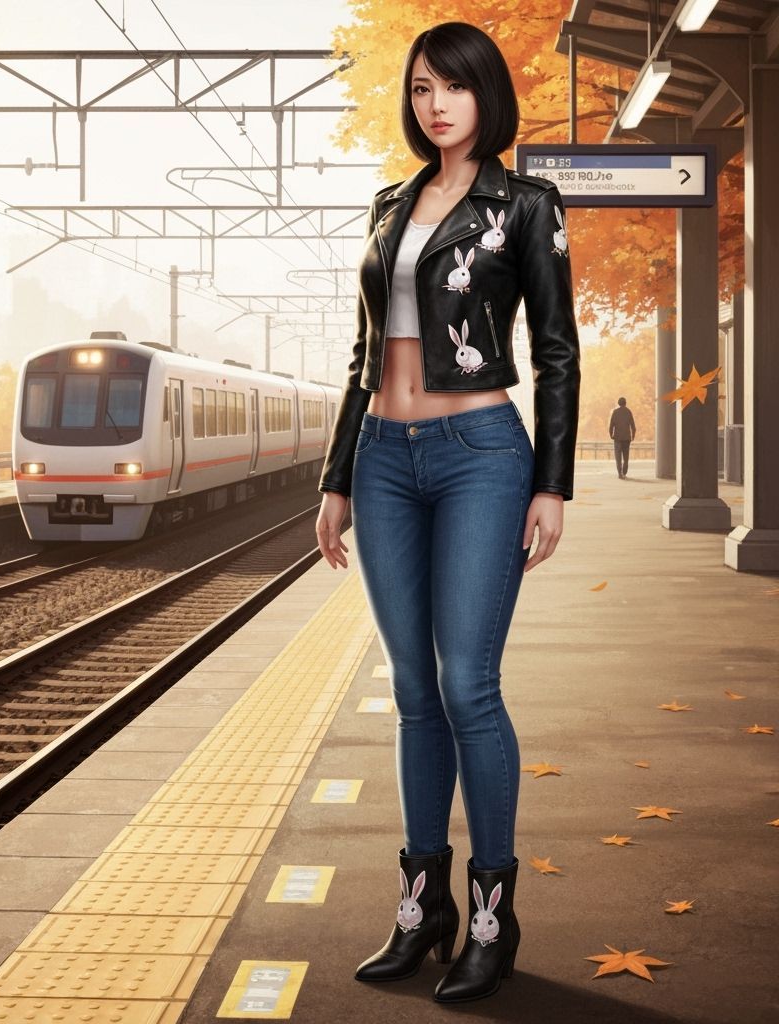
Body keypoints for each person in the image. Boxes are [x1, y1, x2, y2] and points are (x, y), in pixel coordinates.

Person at [314, 22, 581, 1004]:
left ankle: (491, 920)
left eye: (455, 88)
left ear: (486, 96)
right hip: (384, 459)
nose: (436, 105)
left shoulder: (525, 204)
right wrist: (337, 477)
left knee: (467, 683)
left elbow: (556, 348)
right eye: (422, 87)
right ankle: (419, 907)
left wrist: (551, 481)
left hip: (480, 457)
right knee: (412, 690)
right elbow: (361, 354)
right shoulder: (389, 204)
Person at [609, 397, 636, 477]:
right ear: (625, 403)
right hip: (626, 438)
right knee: (626, 456)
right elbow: (633, 426)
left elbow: (611, 425)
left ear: (618, 403)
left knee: (618, 457)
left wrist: (611, 434)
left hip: (617, 438)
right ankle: (624, 472)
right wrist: (633, 435)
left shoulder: (615, 412)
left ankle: (619, 473)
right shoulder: (628, 412)